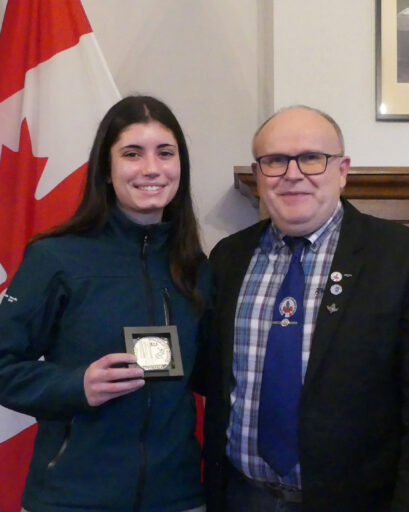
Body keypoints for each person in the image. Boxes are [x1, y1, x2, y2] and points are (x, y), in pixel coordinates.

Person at [0, 95, 210, 512]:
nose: (151, 168)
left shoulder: (196, 268)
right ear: (106, 169)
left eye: (165, 153)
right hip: (72, 498)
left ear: (180, 166)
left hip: (177, 497)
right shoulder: (55, 257)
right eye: (132, 153)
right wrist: (75, 386)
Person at [200, 106, 409, 512]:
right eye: (275, 160)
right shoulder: (228, 258)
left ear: (342, 170)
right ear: (258, 174)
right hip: (242, 497)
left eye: (312, 158)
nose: (292, 174)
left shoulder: (397, 257)